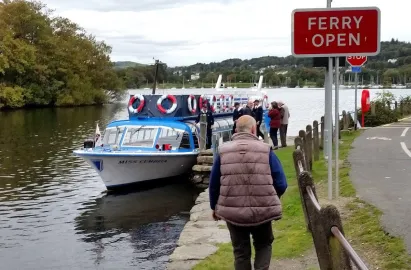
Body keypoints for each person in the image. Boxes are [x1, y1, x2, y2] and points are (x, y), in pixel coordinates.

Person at [209, 115, 287, 270]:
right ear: (253, 129)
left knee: (240, 251)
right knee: (264, 244)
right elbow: (281, 183)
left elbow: (214, 184)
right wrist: (271, 197)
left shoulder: (223, 151)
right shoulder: (266, 150)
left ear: (236, 129)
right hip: (262, 209)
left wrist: (214, 206)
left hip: (233, 212)